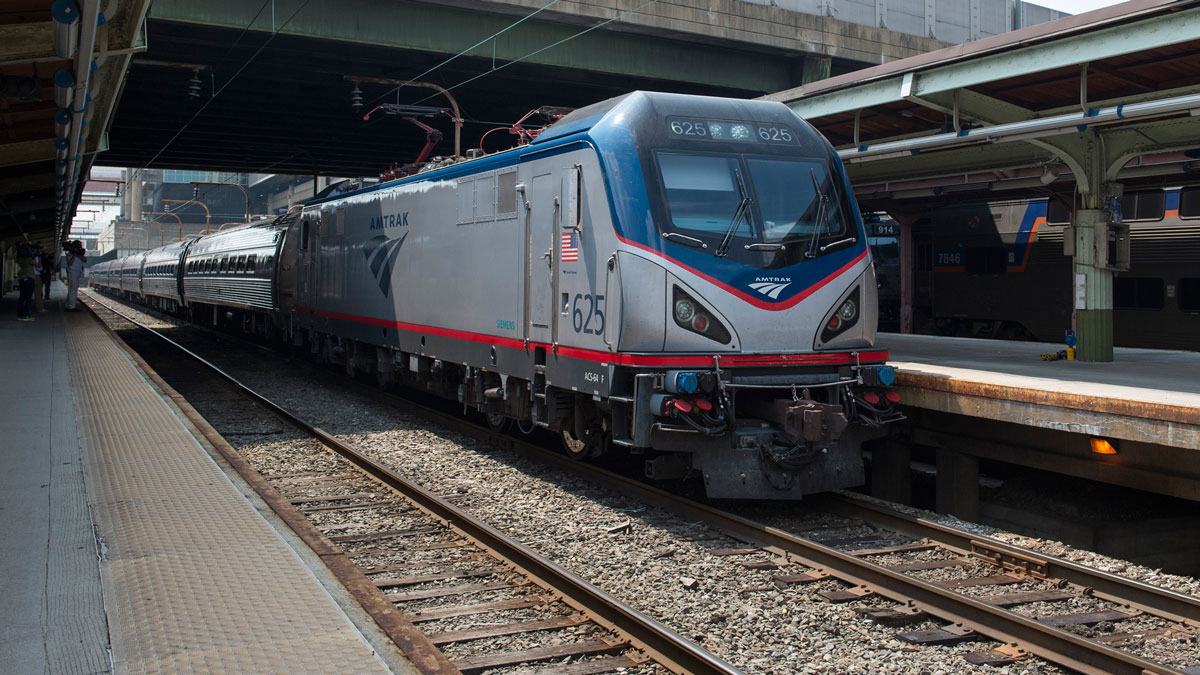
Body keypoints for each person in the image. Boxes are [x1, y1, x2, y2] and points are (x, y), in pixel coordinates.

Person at [15, 243, 37, 321]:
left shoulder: (19, 259)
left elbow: (16, 259)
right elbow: (38, 265)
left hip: (22, 278)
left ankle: (20, 315)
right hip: (30, 278)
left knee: (22, 297)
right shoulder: (30, 259)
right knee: (28, 298)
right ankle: (27, 315)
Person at [65, 241, 87, 311]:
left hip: (77, 273)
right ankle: (71, 306)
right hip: (72, 273)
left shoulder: (79, 254)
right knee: (73, 290)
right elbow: (70, 263)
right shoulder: (69, 254)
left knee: (72, 290)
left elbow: (85, 260)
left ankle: (68, 305)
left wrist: (79, 254)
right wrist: (74, 254)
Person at [32, 244, 45, 313]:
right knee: (38, 293)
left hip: (31, 275)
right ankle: (39, 308)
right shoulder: (36, 257)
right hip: (36, 276)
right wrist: (40, 259)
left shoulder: (31, 257)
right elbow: (39, 267)